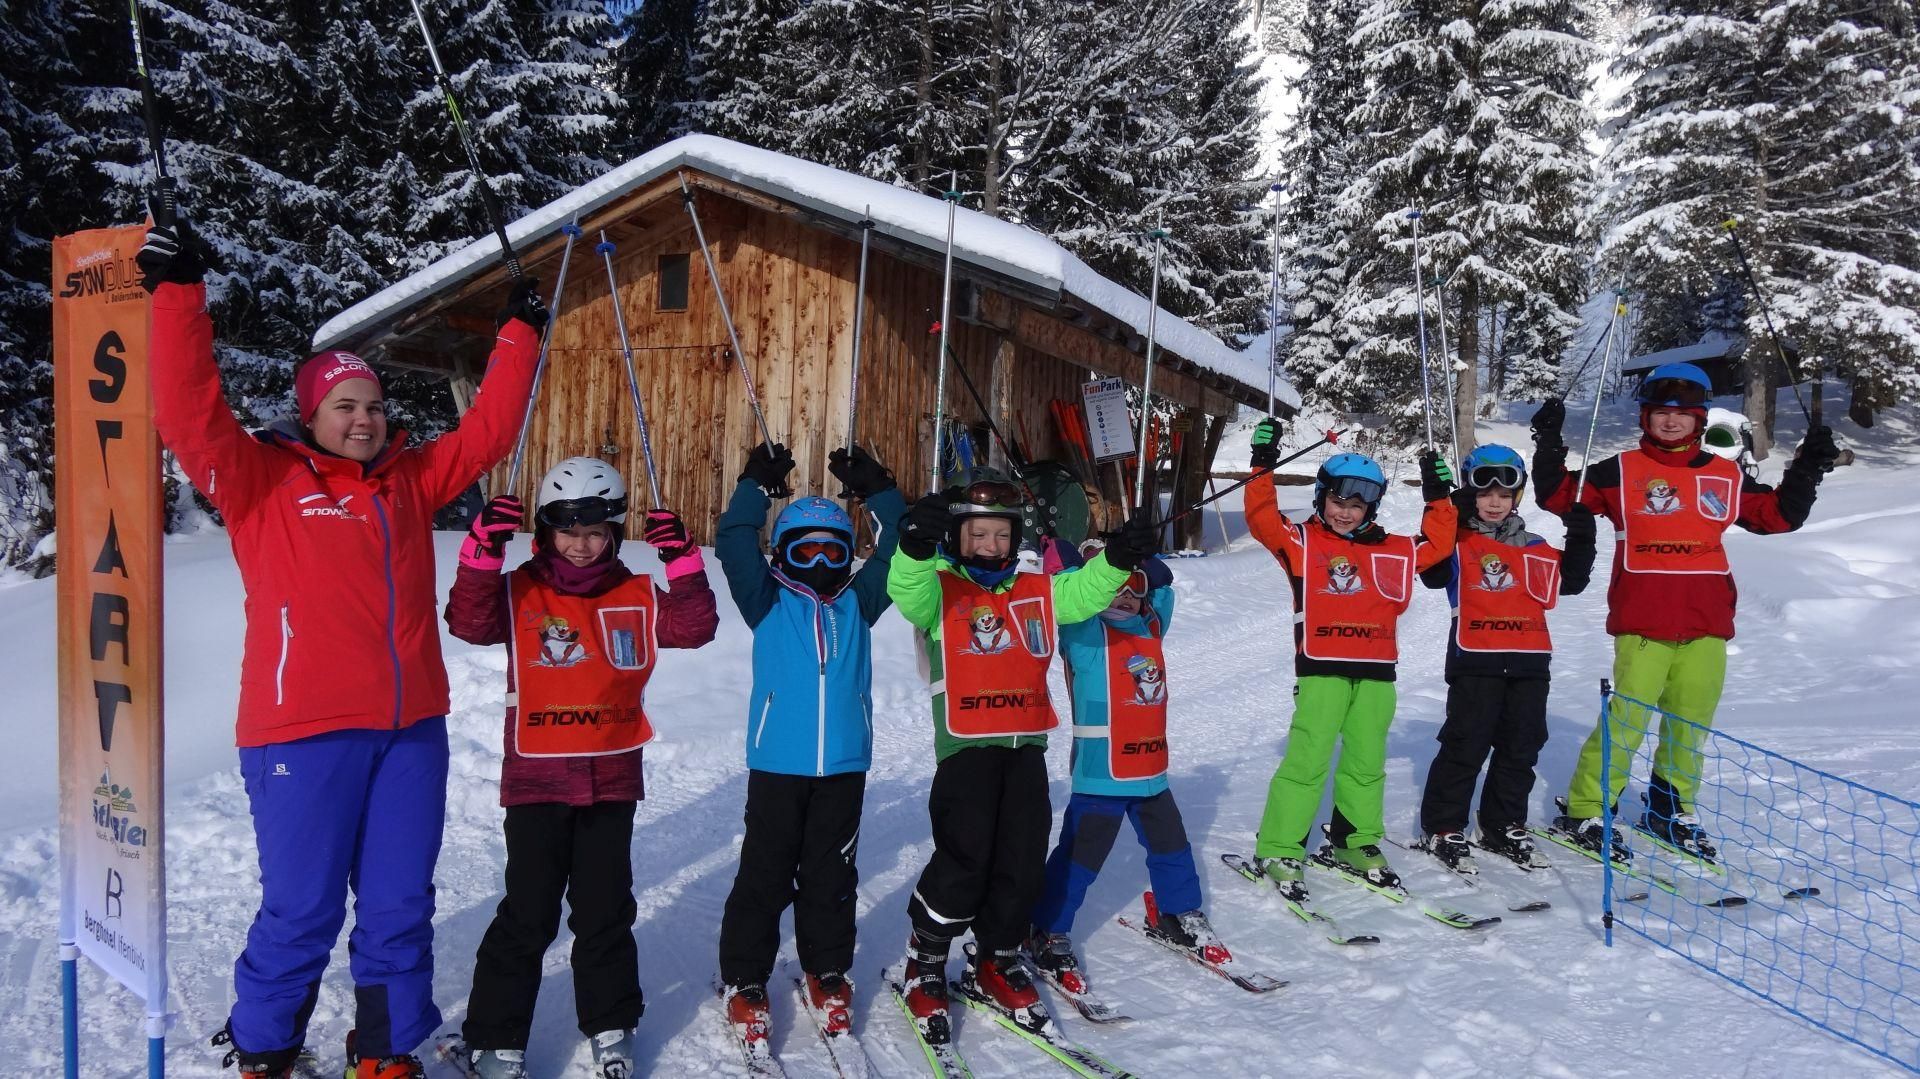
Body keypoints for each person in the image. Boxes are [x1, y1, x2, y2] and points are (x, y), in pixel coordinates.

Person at [139, 220, 544, 1079]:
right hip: (300, 734)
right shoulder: (261, 480)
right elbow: (188, 414)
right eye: (344, 407)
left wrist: (520, 334)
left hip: (410, 732)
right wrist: (177, 296)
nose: (363, 420)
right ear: (311, 414)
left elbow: (487, 436)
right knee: (302, 907)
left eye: (373, 406)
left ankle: (385, 1048)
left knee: (400, 903)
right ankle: (264, 1046)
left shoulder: (409, 479)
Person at [444, 457, 718, 1079]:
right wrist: (483, 552)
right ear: (545, 529)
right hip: (536, 779)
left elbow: (695, 627)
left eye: (596, 530)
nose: (583, 543)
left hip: (610, 778)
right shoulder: (520, 588)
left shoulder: (635, 590)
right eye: (569, 527)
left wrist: (683, 562)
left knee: (603, 910)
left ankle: (611, 1025)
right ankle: (495, 1036)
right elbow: (469, 621)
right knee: (529, 911)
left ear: (616, 533)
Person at [1531, 362, 1838, 861]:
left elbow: (1778, 516)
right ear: (1645, 418)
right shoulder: (1619, 470)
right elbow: (1561, 496)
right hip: (1643, 621)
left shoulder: (1724, 474)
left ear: (1700, 419)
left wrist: (1807, 469)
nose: (1671, 422)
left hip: (1706, 624)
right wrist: (1548, 442)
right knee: (1627, 720)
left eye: (1683, 414)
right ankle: (1586, 809)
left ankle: (1669, 810)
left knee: (1689, 724)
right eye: (1660, 413)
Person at [888, 483, 1157, 1039]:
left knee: (1022, 855)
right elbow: (905, 590)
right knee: (966, 857)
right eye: (978, 535)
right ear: (959, 538)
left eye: (1001, 535)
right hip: (966, 751)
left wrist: (1119, 558)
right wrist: (914, 546)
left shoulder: (1038, 587)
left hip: (1026, 747)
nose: (990, 545)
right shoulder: (940, 590)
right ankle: (927, 956)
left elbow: (1084, 592)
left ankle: (998, 954)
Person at [711, 442, 905, 1050]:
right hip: (778, 765)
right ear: (785, 555)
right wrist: (754, 486)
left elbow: (902, 547)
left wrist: (881, 493)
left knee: (831, 876)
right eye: (805, 549)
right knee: (765, 876)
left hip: (845, 765)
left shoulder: (860, 600)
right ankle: (744, 980)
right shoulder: (765, 600)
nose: (820, 560)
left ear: (848, 554)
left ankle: (827, 972)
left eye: (832, 549)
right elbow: (734, 541)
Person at [1242, 417, 1459, 898]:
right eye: (1339, 501)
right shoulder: (1301, 542)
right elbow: (1261, 519)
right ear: (1322, 498)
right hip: (1322, 670)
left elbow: (1440, 543)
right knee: (1309, 759)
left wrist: (1438, 495)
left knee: (1366, 761)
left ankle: (1354, 841)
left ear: (1372, 507)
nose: (1346, 512)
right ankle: (1279, 844)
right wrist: (1263, 465)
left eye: (1357, 504)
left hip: (1378, 673)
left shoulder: (1393, 548)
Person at [1027, 542, 1228, 989]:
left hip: (1152, 771)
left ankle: (1178, 913)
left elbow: (1164, 588)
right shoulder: (1083, 631)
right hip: (1102, 773)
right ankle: (1047, 928)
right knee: (1080, 858)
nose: (1122, 596)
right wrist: (1076, 559)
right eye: (1112, 587)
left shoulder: (1150, 626)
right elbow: (1062, 591)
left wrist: (1142, 558)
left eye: (1132, 588)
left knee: (1172, 846)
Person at [1411, 444, 1597, 872]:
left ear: (1517, 495)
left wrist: (1581, 529)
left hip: (1530, 661)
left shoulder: (1535, 545)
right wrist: (1441, 505)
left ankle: (1501, 822)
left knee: (1522, 744)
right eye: (1483, 491)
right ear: (1469, 492)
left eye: (1504, 493)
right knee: (1466, 743)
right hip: (1475, 659)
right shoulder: (1455, 540)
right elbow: (1432, 572)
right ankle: (1442, 825)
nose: (1494, 502)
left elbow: (1570, 581)